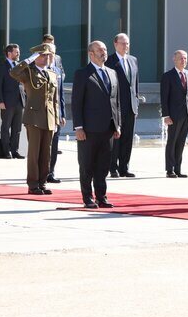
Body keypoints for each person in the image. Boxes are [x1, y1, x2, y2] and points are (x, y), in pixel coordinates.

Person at [71, 41, 121, 208]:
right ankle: (88, 198)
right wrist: (78, 127)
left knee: (103, 165)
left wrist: (117, 125)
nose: (103, 52)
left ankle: (102, 196)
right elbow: (77, 102)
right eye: (100, 50)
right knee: (87, 165)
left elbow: (116, 102)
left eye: (105, 49)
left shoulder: (112, 73)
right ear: (90, 54)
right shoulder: (82, 74)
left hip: (108, 128)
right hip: (89, 129)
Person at [9, 44, 60, 195]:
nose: (47, 58)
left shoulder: (51, 74)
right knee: (34, 153)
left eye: (48, 55)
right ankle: (33, 184)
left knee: (46, 153)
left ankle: (42, 183)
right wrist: (28, 60)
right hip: (33, 118)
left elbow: (54, 100)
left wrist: (56, 119)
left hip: (49, 117)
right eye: (43, 55)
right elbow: (13, 72)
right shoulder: (28, 72)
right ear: (36, 57)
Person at [105, 33, 144, 178]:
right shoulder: (109, 61)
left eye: (127, 43)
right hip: (117, 106)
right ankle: (112, 167)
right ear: (115, 44)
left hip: (131, 106)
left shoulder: (133, 60)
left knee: (128, 138)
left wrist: (137, 104)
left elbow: (135, 84)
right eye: (122, 43)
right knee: (116, 137)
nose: (125, 46)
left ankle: (124, 167)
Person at [160, 50, 188, 178]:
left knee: (181, 142)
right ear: (174, 59)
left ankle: (178, 169)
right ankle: (170, 169)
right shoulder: (168, 76)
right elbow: (164, 97)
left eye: (185, 58)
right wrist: (166, 115)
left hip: (187, 115)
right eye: (181, 58)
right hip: (173, 115)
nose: (183, 61)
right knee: (172, 141)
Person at [0, 43, 24, 160]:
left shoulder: (19, 66)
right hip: (7, 102)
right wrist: (0, 101)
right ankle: (6, 152)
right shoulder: (2, 67)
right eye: (16, 52)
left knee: (17, 128)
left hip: (19, 102)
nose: (18, 54)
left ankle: (15, 150)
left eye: (18, 51)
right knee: (6, 127)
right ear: (9, 53)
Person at [45, 40, 66, 183]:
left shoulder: (57, 71)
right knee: (44, 145)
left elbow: (61, 94)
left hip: (56, 113)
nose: (51, 56)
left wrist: (63, 114)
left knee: (55, 144)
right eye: (49, 53)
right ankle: (41, 172)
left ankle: (51, 172)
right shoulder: (38, 69)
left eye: (53, 53)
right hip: (43, 114)